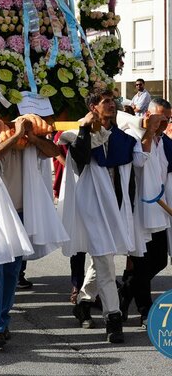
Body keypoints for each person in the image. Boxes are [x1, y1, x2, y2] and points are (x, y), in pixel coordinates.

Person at [0, 101, 61, 348]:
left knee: (11, 272)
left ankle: (3, 322)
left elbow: (52, 151)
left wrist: (30, 137)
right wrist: (16, 136)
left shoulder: (21, 141)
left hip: (19, 214)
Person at [60, 88, 155, 343]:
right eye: (104, 101)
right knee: (104, 261)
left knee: (103, 258)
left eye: (112, 101)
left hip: (120, 207)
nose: (111, 105)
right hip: (93, 207)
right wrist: (84, 129)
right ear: (93, 108)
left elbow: (140, 160)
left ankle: (82, 301)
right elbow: (79, 158)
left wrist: (151, 130)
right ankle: (113, 319)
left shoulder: (125, 139)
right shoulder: (77, 135)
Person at [119, 97, 171, 327]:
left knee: (158, 260)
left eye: (167, 120)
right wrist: (148, 131)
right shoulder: (133, 135)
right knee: (142, 262)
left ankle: (123, 293)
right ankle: (144, 309)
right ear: (148, 115)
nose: (163, 124)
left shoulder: (165, 142)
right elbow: (139, 162)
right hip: (138, 209)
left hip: (159, 209)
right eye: (159, 118)